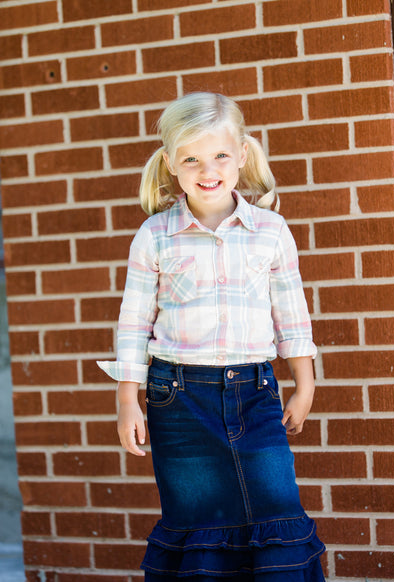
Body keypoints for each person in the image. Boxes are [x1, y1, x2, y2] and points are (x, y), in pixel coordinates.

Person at [98, 92, 325, 581]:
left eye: (221, 155)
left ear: (242, 154)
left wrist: (304, 385)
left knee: (275, 508)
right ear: (171, 165)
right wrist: (127, 400)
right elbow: (134, 321)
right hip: (177, 401)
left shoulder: (270, 230)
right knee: (198, 520)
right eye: (192, 158)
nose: (209, 169)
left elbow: (291, 313)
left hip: (256, 394)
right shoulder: (155, 235)